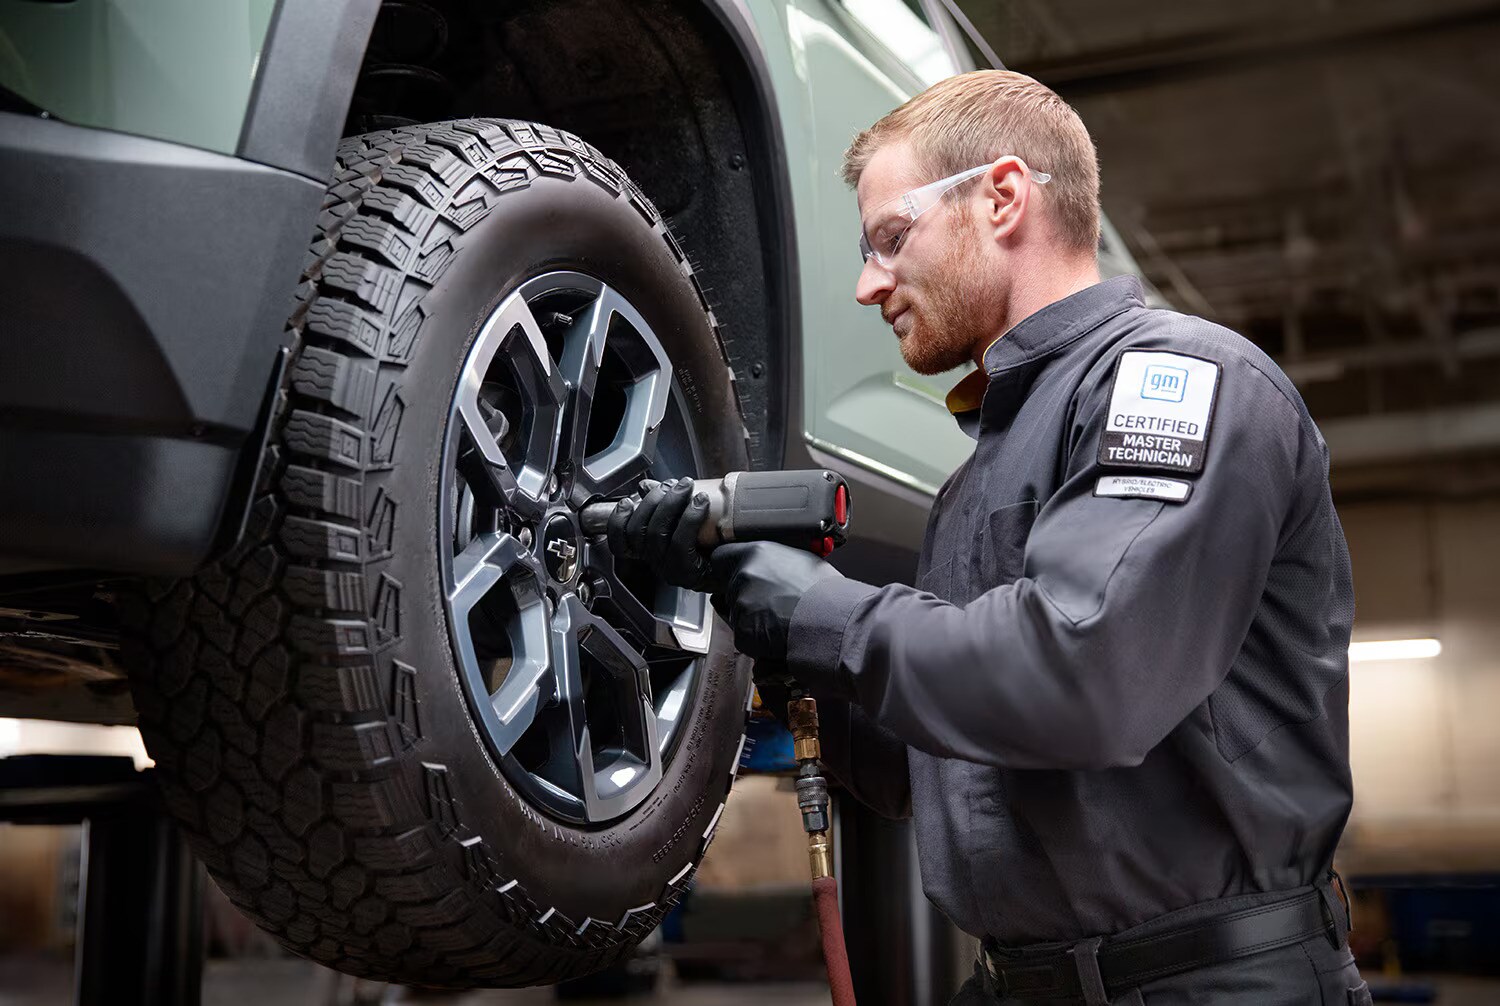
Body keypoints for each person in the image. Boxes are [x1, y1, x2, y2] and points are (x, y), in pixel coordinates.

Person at [610, 70, 1366, 1006]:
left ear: (1002, 196)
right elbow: (920, 769)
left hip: (1208, 985)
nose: (865, 284)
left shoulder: (1178, 384)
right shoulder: (975, 482)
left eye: (891, 238)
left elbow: (1086, 678)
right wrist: (750, 626)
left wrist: (824, 612)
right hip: (1021, 982)